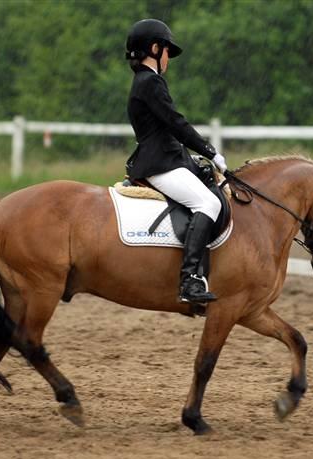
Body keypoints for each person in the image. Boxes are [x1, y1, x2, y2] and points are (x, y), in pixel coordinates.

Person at [124, 18, 227, 305]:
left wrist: (192, 158)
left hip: (165, 159)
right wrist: (210, 152)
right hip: (160, 165)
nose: (168, 58)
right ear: (155, 49)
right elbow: (175, 123)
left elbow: (164, 131)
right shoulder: (151, 82)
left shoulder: (143, 82)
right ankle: (189, 280)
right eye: (167, 51)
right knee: (209, 203)